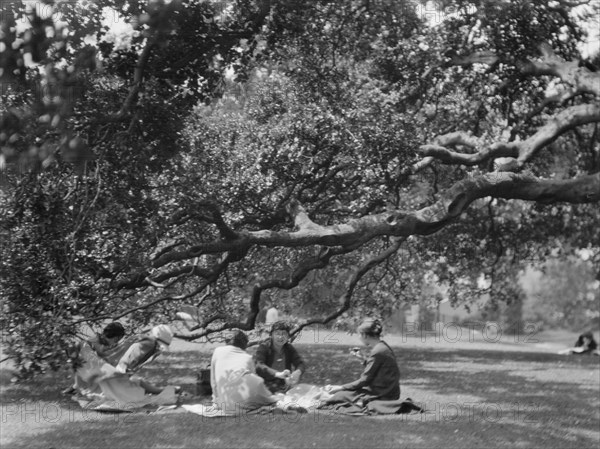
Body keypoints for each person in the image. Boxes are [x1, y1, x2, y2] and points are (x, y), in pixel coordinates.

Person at [322, 318, 400, 406]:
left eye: (358, 334)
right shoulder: (382, 346)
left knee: (340, 396)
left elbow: (365, 380)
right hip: (390, 392)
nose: (358, 337)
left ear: (364, 335)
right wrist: (363, 359)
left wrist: (341, 387)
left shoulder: (378, 351)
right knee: (344, 395)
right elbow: (377, 369)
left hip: (383, 394)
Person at [210, 330, 280, 411]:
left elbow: (213, 381)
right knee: (261, 387)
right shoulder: (248, 357)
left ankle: (270, 399)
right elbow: (254, 376)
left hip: (228, 402)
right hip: (248, 391)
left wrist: (215, 401)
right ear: (244, 344)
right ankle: (273, 399)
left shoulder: (218, 351)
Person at [254, 321, 306, 393]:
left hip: (284, 384)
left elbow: (301, 363)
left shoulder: (289, 348)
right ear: (271, 335)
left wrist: (297, 373)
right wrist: (277, 374)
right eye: (277, 334)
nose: (280, 337)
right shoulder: (264, 347)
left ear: (288, 336)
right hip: (265, 385)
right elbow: (259, 365)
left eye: (284, 334)